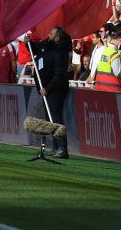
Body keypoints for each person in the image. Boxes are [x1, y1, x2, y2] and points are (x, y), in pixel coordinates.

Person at [32, 26, 72, 158]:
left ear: (57, 38)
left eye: (51, 33)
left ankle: (62, 148)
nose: (48, 34)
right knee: (51, 119)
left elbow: (59, 74)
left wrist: (47, 88)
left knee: (56, 118)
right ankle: (55, 146)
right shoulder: (47, 47)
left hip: (55, 90)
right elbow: (35, 49)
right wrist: (27, 42)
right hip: (46, 90)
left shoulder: (60, 52)